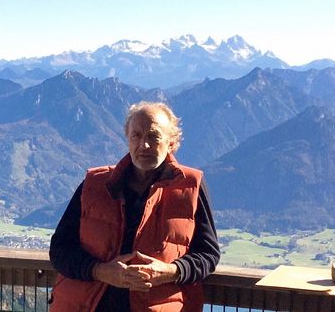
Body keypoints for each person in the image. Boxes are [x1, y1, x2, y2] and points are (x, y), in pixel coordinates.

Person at [49, 101, 219, 312]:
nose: (143, 145)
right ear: (128, 139)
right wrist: (100, 271)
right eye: (136, 136)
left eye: (153, 136)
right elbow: (60, 250)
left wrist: (171, 271)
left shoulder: (190, 186)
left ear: (171, 142)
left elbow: (208, 254)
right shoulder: (95, 184)